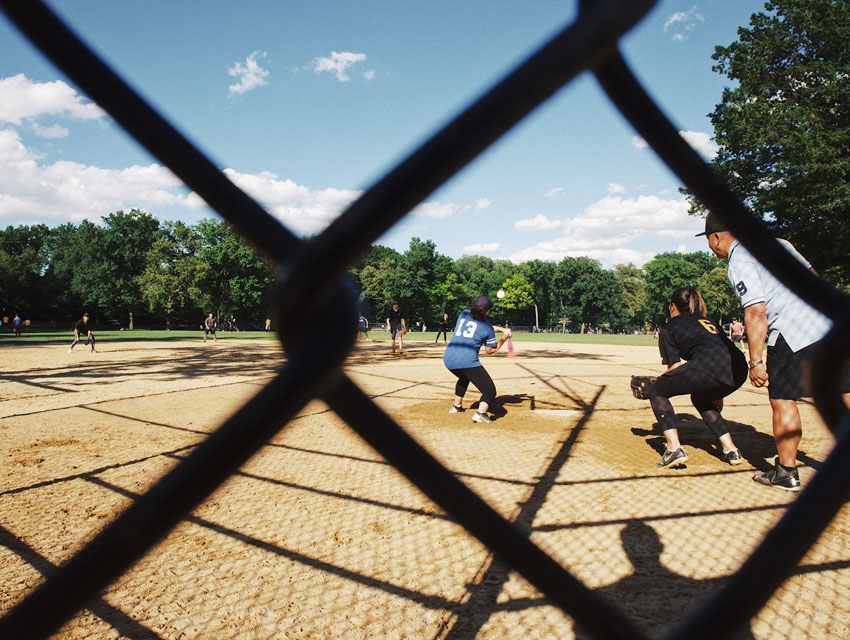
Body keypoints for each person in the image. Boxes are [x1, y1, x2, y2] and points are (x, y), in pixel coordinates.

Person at [700, 211, 849, 490]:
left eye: (708, 240)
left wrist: (756, 361)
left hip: (792, 334)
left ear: (716, 238)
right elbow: (814, 279)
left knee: (783, 399)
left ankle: (786, 472)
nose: (710, 247)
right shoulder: (779, 243)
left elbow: (756, 311)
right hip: (829, 327)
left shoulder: (739, 260)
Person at [646, 287, 748, 469]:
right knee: (701, 397)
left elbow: (674, 369)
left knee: (657, 391)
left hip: (708, 367)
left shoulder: (669, 328)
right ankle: (730, 449)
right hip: (739, 368)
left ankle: (674, 448)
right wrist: (717, 394)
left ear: (673, 306)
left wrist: (655, 384)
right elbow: (720, 352)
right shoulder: (709, 322)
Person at [443, 295, 511, 424]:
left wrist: (502, 329)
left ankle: (456, 406)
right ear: (487, 311)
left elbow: (481, 325)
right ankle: (481, 413)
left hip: (448, 358)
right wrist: (504, 338)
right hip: (467, 360)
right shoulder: (487, 329)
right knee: (489, 390)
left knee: (464, 377)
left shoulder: (463, 314)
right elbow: (490, 350)